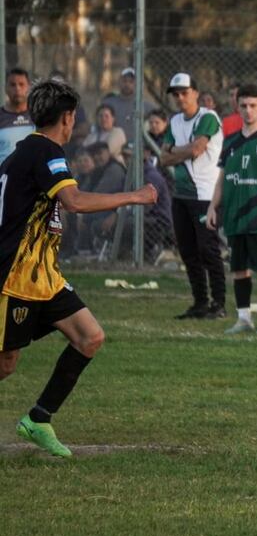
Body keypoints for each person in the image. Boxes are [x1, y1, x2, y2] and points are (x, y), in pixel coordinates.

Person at [0, 79, 157, 457]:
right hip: (16, 276)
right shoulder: (44, 150)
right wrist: (134, 196)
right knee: (5, 364)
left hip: (44, 276)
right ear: (68, 118)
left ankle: (39, 418)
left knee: (90, 336)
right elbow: (74, 201)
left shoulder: (27, 152)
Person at [207, 84, 257, 335]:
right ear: (237, 107)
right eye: (243, 105)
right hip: (235, 217)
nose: (248, 110)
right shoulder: (231, 141)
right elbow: (222, 178)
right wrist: (212, 206)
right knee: (239, 269)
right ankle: (244, 318)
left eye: (253, 105)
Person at [159, 72, 226, 320]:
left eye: (184, 93)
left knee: (208, 249)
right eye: (176, 94)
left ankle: (218, 303)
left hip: (205, 195)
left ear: (195, 93)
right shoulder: (175, 121)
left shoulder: (207, 117)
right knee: (187, 251)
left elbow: (197, 149)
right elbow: (163, 158)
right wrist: (180, 151)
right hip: (182, 195)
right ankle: (200, 302)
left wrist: (175, 150)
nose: (180, 98)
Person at [101, 67, 152, 143]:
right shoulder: (108, 103)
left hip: (137, 147)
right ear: (119, 83)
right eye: (124, 81)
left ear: (137, 84)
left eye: (131, 82)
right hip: (112, 145)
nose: (127, 84)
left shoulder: (145, 105)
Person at [0, 67, 34, 164]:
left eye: (21, 84)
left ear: (28, 87)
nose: (17, 89)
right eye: (13, 85)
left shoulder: (37, 116)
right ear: (5, 88)